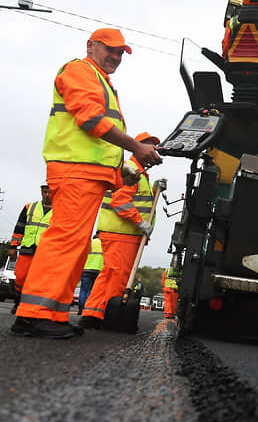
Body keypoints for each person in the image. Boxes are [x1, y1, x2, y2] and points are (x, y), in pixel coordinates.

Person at [11, 28, 162, 339]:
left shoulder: (98, 80)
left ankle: (50, 314)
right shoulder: (79, 71)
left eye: (121, 53)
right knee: (66, 241)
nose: (117, 57)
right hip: (75, 172)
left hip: (88, 174)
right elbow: (91, 122)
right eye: (111, 50)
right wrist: (136, 147)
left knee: (74, 246)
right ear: (91, 46)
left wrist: (127, 170)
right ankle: (34, 315)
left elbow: (99, 144)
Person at [81, 135, 159, 330]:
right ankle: (109, 316)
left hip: (121, 233)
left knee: (108, 275)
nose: (153, 152)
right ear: (138, 149)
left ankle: (93, 314)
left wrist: (156, 188)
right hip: (122, 234)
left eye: (155, 148)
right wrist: (140, 223)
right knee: (117, 277)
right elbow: (120, 202)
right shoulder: (131, 171)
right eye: (150, 147)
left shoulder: (138, 172)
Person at [8, 185, 53, 313]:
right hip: (27, 249)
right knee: (20, 278)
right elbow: (19, 228)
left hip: (45, 252)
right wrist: (13, 247)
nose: (47, 195)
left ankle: (29, 308)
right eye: (45, 192)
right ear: (41, 192)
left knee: (38, 282)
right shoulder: (30, 207)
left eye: (50, 192)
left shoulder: (59, 211)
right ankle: (17, 303)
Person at [76, 237, 103, 314]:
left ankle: (81, 308)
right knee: (92, 291)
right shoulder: (103, 243)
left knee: (84, 290)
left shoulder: (89, 242)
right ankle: (88, 308)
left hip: (86, 269)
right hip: (98, 269)